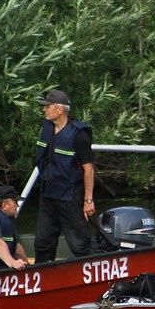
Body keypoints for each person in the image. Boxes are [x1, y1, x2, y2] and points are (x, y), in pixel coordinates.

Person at [33, 89, 95, 262]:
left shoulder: (78, 134)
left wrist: (88, 200)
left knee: (79, 244)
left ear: (60, 110)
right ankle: (43, 278)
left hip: (70, 196)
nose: (45, 110)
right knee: (43, 243)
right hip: (48, 194)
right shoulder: (46, 128)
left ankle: (88, 277)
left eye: (48, 106)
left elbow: (88, 169)